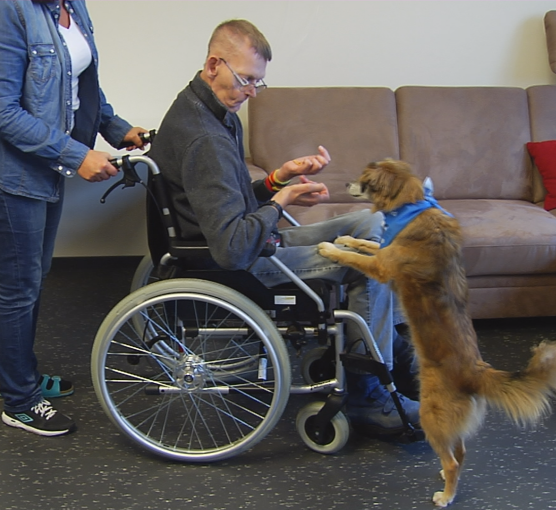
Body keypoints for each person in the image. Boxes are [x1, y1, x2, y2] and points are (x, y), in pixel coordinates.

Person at [148, 19, 419, 434]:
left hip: (253, 238)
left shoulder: (210, 111)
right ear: (213, 65)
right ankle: (370, 391)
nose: (252, 92)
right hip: (240, 262)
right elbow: (231, 248)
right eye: (247, 80)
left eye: (259, 83)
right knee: (369, 262)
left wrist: (279, 179)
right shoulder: (205, 138)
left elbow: (227, 199)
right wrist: (280, 201)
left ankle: (387, 349)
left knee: (372, 219)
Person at [0, 0, 148, 437]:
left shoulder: (72, 6)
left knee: (33, 277)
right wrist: (76, 155)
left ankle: (22, 374)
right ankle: (19, 400)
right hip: (4, 170)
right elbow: (0, 110)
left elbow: (79, 83)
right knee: (18, 286)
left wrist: (117, 128)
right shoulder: (5, 10)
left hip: (43, 164)